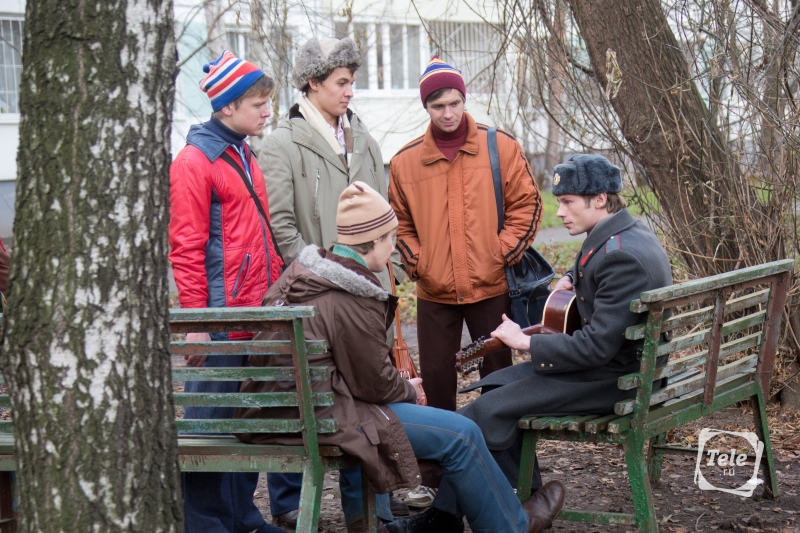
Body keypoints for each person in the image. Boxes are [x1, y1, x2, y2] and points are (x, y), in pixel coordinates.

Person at [236, 181, 566, 533]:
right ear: (374, 240)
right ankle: (511, 527)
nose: (393, 247)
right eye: (390, 238)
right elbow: (374, 385)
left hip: (272, 413)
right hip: (323, 418)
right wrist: (409, 389)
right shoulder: (351, 295)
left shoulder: (300, 276)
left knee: (419, 425)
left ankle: (376, 524)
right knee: (463, 433)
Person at [393, 154, 673, 532]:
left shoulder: (619, 256)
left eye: (568, 202)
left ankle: (445, 520)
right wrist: (571, 278)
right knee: (495, 387)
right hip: (624, 370)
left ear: (600, 199)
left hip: (617, 382)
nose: (560, 212)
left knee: (481, 414)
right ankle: (520, 495)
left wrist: (523, 343)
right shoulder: (626, 234)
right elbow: (594, 274)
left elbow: (595, 347)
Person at [258, 36, 405, 528]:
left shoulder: (362, 136)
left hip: (365, 297)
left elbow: (382, 212)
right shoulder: (282, 143)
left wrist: (388, 272)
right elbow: (281, 226)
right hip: (320, 302)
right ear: (312, 82)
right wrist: (325, 276)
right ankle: (297, 508)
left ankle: (373, 514)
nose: (350, 91)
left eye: (352, 81)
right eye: (341, 82)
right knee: (323, 400)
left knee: (369, 397)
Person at [388, 55, 542, 507]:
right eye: (438, 105)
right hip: (434, 293)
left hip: (491, 288)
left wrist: (499, 254)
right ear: (426, 107)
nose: (448, 113)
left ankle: (513, 479)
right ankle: (440, 492)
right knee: (436, 387)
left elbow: (528, 205)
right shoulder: (405, 162)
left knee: (501, 384)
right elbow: (397, 223)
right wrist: (420, 262)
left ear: (464, 99)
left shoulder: (501, 147)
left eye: (454, 102)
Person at [168, 50, 284, 533]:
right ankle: (203, 524)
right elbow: (186, 246)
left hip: (253, 314)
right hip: (219, 320)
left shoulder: (243, 153)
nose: (267, 112)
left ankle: (242, 519)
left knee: (244, 424)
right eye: (258, 104)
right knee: (208, 427)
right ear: (227, 106)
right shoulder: (195, 161)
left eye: (267, 103)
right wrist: (197, 323)